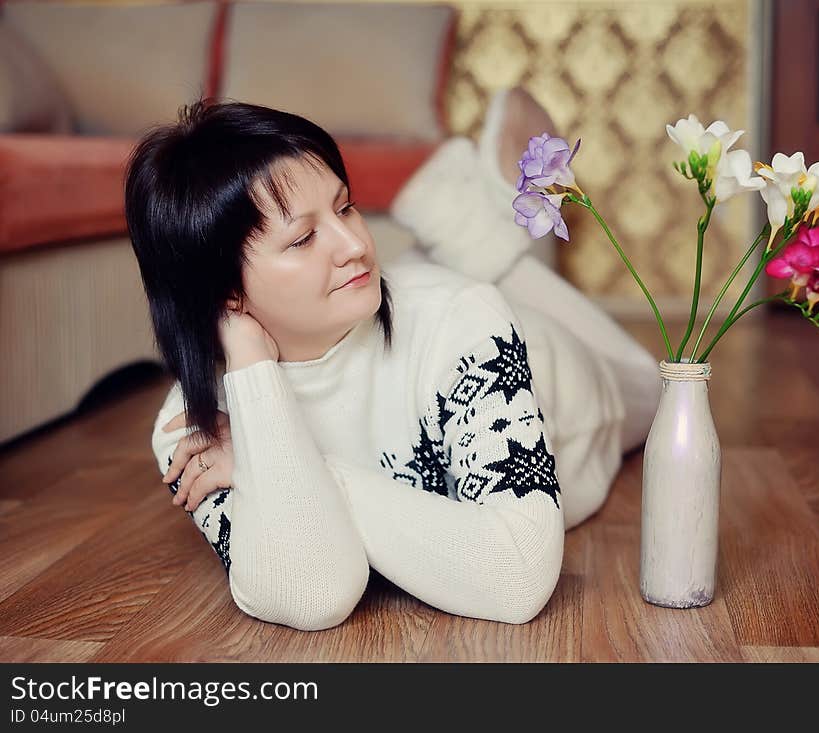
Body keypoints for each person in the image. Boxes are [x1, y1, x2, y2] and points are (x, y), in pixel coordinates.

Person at [126, 90, 660, 632]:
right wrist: (250, 371)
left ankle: (483, 229)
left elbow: (516, 578)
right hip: (395, 305)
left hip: (568, 388)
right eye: (304, 238)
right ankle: (465, 220)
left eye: (345, 207)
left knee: (652, 387)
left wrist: (266, 467)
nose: (354, 243)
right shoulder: (192, 430)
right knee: (425, 279)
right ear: (225, 296)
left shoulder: (462, 320)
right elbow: (315, 593)